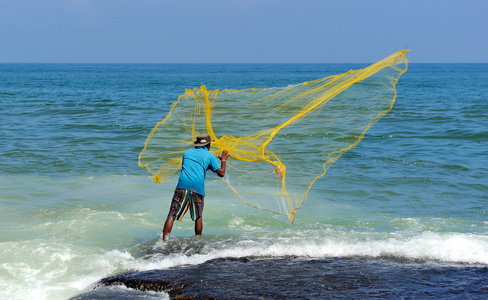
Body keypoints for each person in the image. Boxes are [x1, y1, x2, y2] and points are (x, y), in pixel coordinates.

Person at [162, 133, 229, 241]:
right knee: (198, 217)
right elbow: (221, 173)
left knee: (172, 214)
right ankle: (198, 242)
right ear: (208, 145)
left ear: (197, 144)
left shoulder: (187, 152)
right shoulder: (209, 156)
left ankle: (163, 241)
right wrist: (223, 160)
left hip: (182, 186)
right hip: (197, 188)